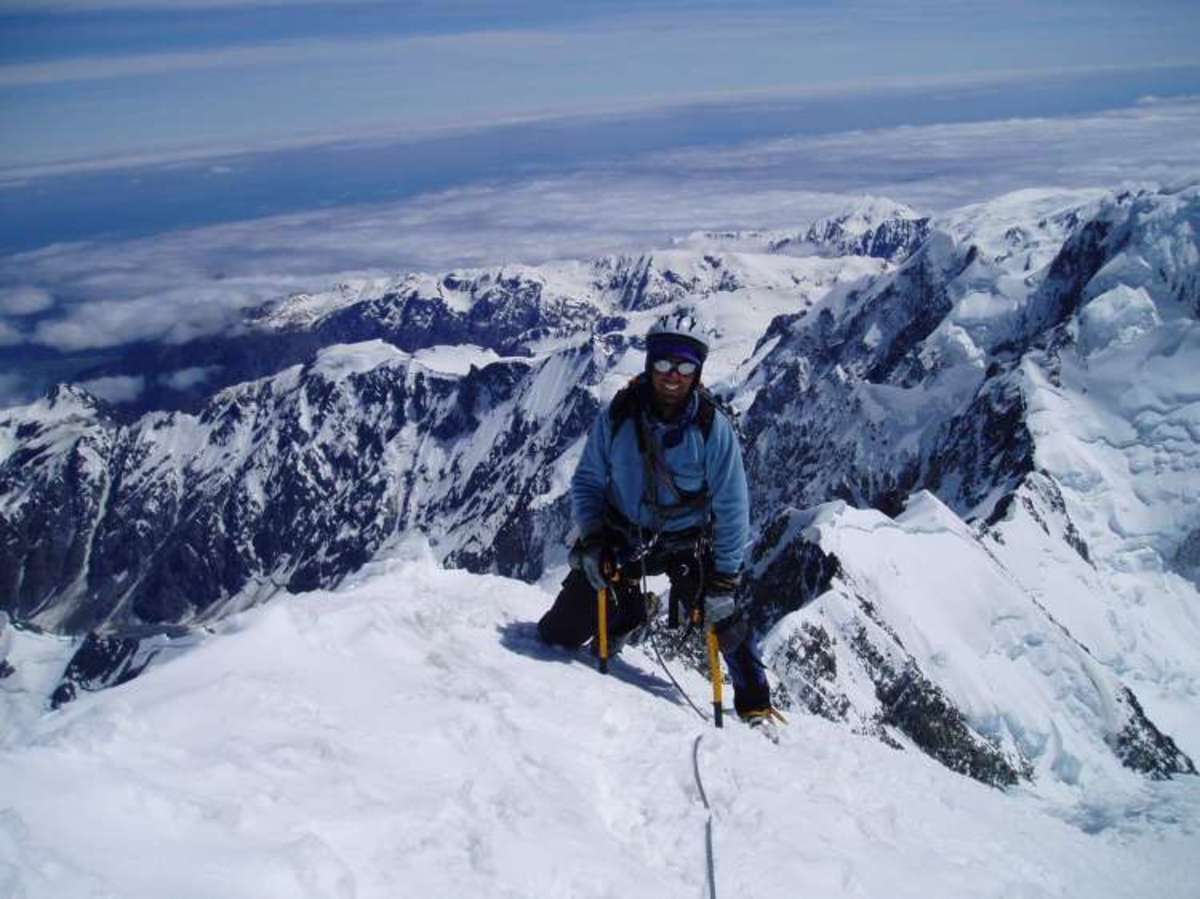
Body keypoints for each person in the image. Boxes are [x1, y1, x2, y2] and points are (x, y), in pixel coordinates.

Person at [538, 312, 777, 727]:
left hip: (688, 541)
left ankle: (755, 704)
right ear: (649, 364)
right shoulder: (618, 416)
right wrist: (593, 540)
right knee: (558, 635)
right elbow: (589, 481)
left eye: (685, 365)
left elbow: (733, 507)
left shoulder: (711, 428)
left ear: (698, 372)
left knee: (724, 616)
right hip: (622, 535)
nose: (673, 374)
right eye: (664, 362)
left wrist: (724, 579)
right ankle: (628, 610)